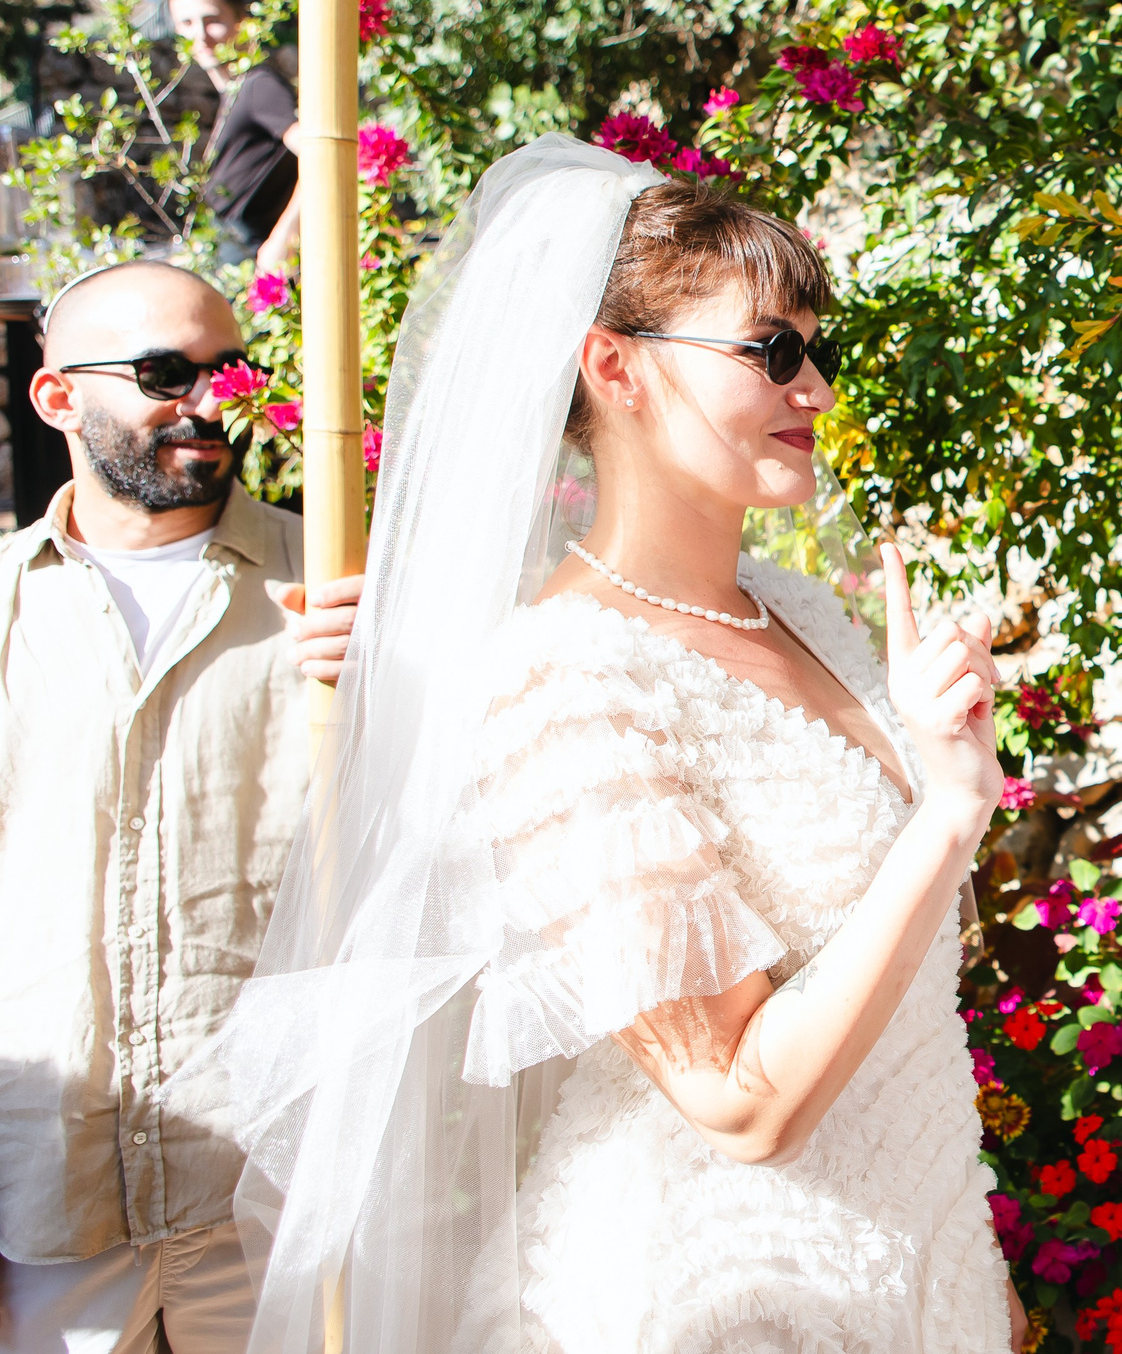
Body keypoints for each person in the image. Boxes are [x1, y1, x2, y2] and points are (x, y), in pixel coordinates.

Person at [212, 141, 1023, 1354]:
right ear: (616, 369)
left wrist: (965, 1248)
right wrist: (951, 810)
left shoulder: (804, 609)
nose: (814, 390)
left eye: (819, 350)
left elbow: (903, 977)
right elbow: (736, 1104)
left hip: (913, 1257)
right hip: (709, 1291)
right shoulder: (562, 672)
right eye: (772, 351)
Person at [0, 260, 362, 1354]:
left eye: (227, 369)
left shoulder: (343, 582)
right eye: (163, 373)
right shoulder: (7, 606)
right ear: (58, 396)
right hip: (48, 1194)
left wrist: (400, 684)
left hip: (276, 1191)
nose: (209, 402)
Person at [166, 0, 302, 274]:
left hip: (248, 254)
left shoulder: (258, 85)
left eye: (212, 19)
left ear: (242, 20)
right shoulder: (235, 91)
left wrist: (283, 238)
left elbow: (321, 156)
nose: (200, 35)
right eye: (186, 24)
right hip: (223, 247)